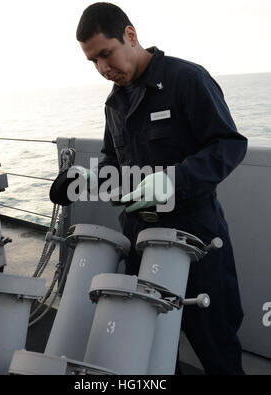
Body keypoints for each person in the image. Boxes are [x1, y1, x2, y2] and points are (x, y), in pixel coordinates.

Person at [74, 2, 247, 375]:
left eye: (106, 53)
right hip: (140, 239)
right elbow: (113, 161)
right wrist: (95, 176)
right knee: (151, 347)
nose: (103, 68)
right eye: (93, 61)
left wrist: (173, 179)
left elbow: (228, 146)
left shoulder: (187, 79)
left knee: (215, 343)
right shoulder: (115, 103)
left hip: (195, 237)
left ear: (131, 36)